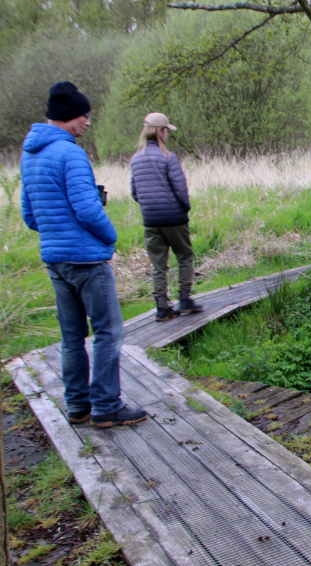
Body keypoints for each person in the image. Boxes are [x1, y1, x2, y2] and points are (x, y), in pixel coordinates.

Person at [20, 81, 147, 428]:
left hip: (55, 260)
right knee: (108, 332)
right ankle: (106, 406)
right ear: (69, 116)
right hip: (87, 261)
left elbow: (30, 215)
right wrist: (111, 237)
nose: (88, 122)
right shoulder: (70, 153)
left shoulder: (30, 154)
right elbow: (88, 210)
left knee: (72, 335)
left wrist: (56, 234)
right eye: (85, 116)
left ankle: (78, 405)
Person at [130, 112, 203, 321]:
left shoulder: (136, 160)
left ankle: (162, 307)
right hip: (174, 217)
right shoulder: (168, 157)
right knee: (185, 256)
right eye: (166, 131)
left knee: (158, 264)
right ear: (161, 132)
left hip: (151, 219)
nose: (167, 135)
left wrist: (149, 206)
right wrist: (185, 209)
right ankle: (185, 300)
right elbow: (181, 189)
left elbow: (135, 192)